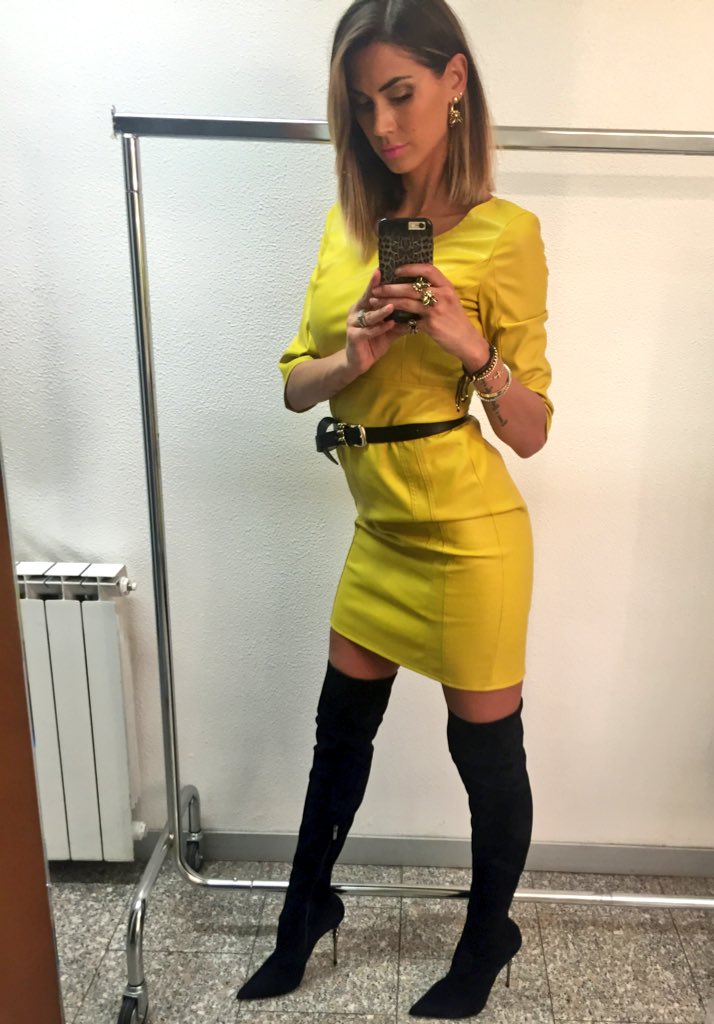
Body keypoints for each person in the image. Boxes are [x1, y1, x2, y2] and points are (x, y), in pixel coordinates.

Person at [237, 0, 553, 1017]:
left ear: (455, 83)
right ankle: (303, 915)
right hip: (379, 532)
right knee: (339, 735)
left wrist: (474, 348)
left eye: (401, 93)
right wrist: (352, 356)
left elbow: (533, 429)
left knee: (486, 758)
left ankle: (487, 938)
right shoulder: (346, 231)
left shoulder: (507, 236)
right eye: (363, 101)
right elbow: (295, 385)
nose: (382, 124)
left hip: (471, 537)